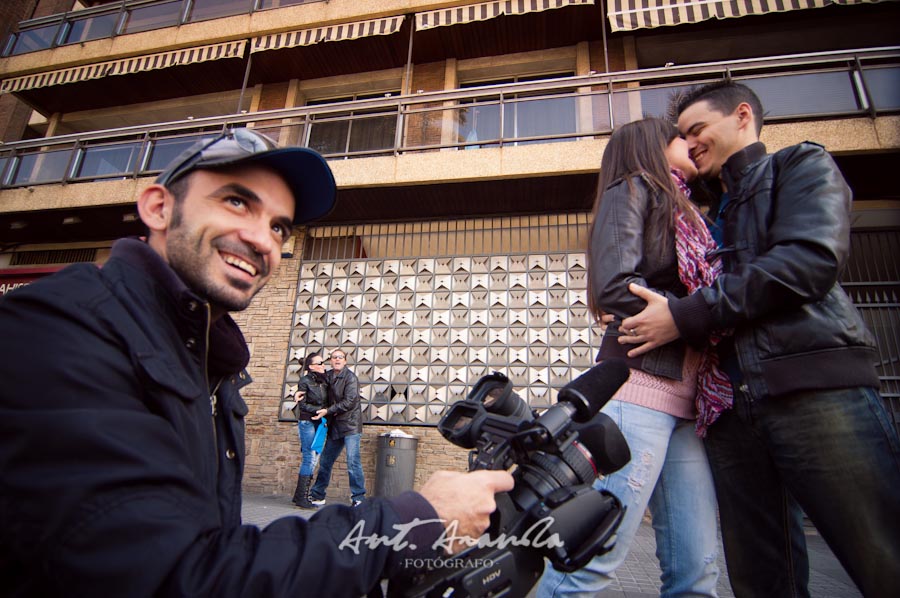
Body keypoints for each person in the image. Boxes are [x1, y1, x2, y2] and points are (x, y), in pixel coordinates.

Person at [0, 127, 514, 597]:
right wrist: (412, 523)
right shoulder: (58, 328)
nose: (262, 239)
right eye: (235, 201)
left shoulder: (211, 364)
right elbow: (170, 577)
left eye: (279, 227)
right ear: (158, 207)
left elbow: (205, 541)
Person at [618, 81, 900, 597]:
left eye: (696, 129)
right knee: (761, 579)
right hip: (728, 415)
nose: (689, 143)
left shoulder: (799, 165)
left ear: (742, 116)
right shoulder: (701, 215)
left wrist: (685, 314)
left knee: (881, 554)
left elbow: (808, 262)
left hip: (813, 389)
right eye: (681, 136)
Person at [537, 117, 720, 597]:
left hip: (688, 402)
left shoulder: (688, 208)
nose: (693, 144)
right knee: (591, 561)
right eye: (683, 137)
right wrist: (690, 315)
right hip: (639, 393)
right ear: (655, 146)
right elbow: (617, 286)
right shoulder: (634, 188)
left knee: (697, 568)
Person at [309, 348, 366, 507]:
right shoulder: (327, 376)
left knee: (353, 462)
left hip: (350, 425)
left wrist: (328, 411)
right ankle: (318, 495)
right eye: (334, 357)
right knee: (326, 461)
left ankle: (359, 498)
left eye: (340, 357)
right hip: (335, 426)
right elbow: (312, 383)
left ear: (345, 361)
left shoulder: (350, 378)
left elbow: (349, 402)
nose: (337, 360)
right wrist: (299, 391)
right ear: (331, 361)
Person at [290, 352, 329, 508]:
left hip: (321, 423)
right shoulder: (305, 381)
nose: (323, 365)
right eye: (320, 363)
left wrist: (326, 412)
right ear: (312, 366)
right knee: (309, 456)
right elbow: (303, 405)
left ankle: (299, 495)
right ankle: (301, 497)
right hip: (308, 422)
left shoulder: (326, 380)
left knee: (316, 456)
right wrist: (321, 409)